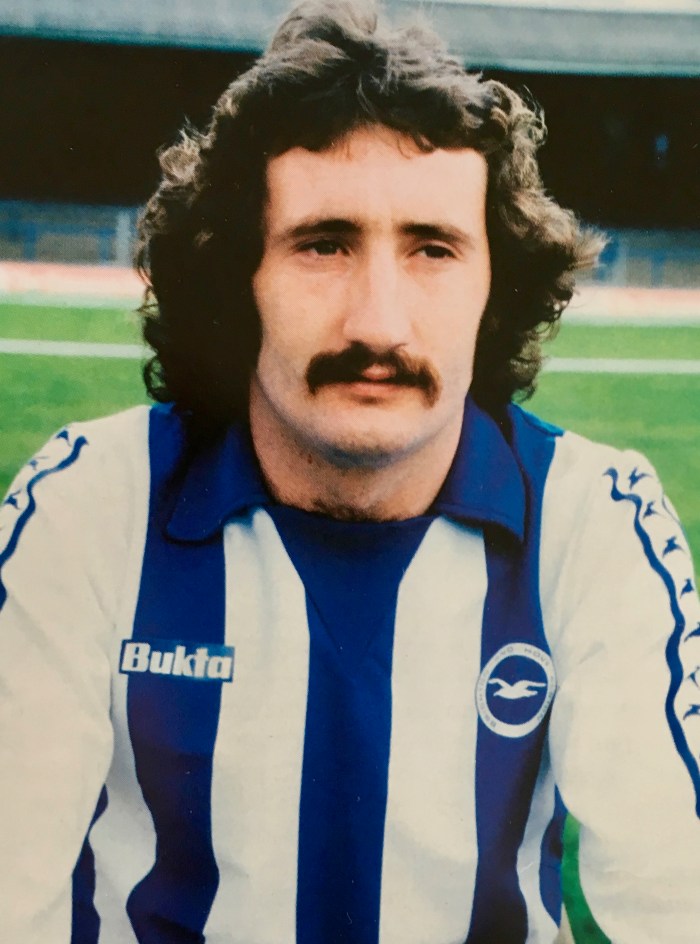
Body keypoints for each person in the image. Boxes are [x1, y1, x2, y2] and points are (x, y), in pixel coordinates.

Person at [0, 1, 698, 942]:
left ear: (496, 289)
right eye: (323, 244)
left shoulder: (593, 522)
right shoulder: (91, 502)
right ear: (237, 277)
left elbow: (675, 897)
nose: (378, 321)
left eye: (433, 250)